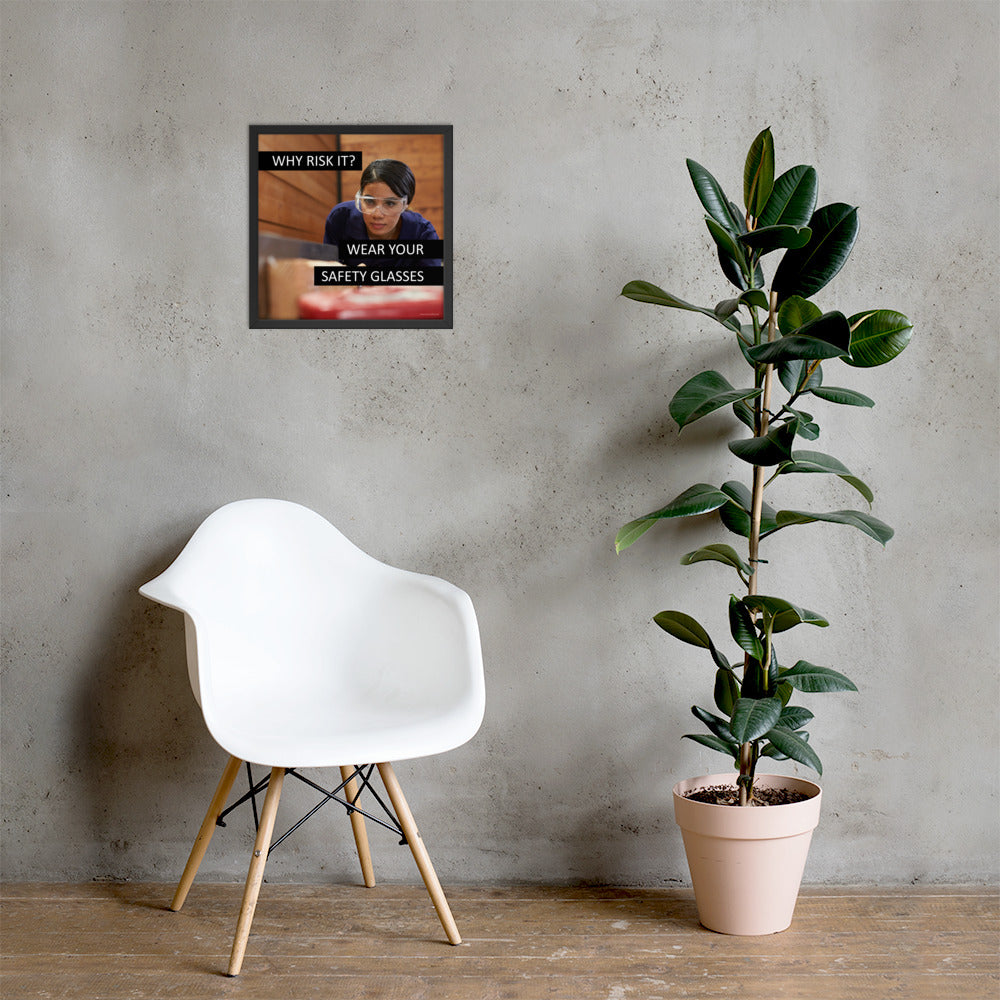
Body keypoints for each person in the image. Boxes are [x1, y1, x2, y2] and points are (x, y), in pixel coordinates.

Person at [323, 159, 442, 267]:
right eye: (369, 201)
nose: (377, 215)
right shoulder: (340, 218)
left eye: (390, 203)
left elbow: (431, 287)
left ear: (405, 204)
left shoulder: (423, 233)